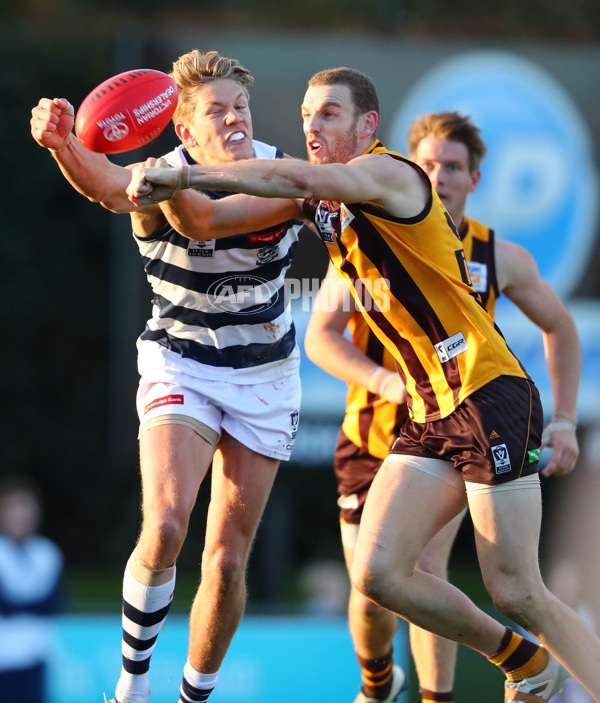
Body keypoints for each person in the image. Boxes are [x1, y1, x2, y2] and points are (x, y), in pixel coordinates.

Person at [129, 66, 600, 702]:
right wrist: (129, 171)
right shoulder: (324, 202)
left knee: (518, 590)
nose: (310, 127)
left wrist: (183, 172)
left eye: (328, 114)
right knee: (378, 575)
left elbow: (293, 175)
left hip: (488, 393)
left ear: (367, 126)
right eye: (304, 115)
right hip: (430, 411)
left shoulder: (389, 173)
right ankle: (520, 660)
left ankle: (527, 662)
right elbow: (206, 223)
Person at [30, 49, 305, 703]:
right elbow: (104, 184)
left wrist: (166, 188)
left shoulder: (281, 176)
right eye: (217, 111)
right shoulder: (158, 177)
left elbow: (207, 218)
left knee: (227, 560)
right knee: (166, 526)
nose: (235, 118)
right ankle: (131, 681)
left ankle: (194, 694)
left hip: (265, 372)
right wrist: (62, 141)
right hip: (181, 358)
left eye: (240, 106)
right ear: (184, 129)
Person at [302, 109, 581, 703]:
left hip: (466, 417)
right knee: (371, 585)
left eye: (453, 167)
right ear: (408, 168)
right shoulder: (366, 234)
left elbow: (561, 326)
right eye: (429, 164)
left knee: (446, 571)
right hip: (377, 430)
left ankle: (445, 695)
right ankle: (379, 686)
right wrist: (383, 382)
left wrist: (565, 420)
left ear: (474, 179)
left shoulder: (491, 253)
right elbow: (320, 336)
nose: (440, 175)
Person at [0, 475, 64, 703]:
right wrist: (33, 604)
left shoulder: (47, 553)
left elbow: (54, 604)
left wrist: (18, 604)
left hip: (35, 654)